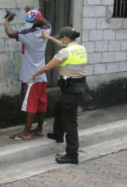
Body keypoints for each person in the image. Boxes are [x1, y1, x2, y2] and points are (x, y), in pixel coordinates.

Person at [28, 27, 88, 164]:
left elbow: (47, 67)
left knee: (70, 122)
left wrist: (34, 75)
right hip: (81, 87)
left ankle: (72, 154)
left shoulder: (65, 52)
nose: (61, 40)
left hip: (72, 90)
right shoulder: (80, 48)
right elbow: (62, 45)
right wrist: (49, 38)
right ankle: (57, 134)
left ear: (66, 38)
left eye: (62, 38)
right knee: (59, 107)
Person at [4, 10, 51, 141]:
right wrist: (36, 14)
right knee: (41, 103)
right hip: (41, 75)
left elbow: (10, 33)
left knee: (30, 104)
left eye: (30, 20)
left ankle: (26, 132)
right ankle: (40, 129)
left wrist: (7, 20)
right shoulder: (45, 31)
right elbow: (48, 23)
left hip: (31, 76)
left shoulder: (29, 34)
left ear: (34, 22)